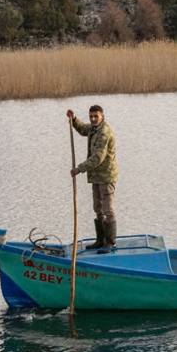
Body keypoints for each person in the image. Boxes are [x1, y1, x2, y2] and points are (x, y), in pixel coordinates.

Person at [66, 104, 118, 251]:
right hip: (96, 176)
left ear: (102, 116)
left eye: (96, 116)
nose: (93, 119)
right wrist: (74, 119)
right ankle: (100, 240)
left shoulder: (104, 133)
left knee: (108, 209)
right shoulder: (94, 129)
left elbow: (98, 158)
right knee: (98, 208)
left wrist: (79, 169)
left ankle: (110, 243)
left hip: (106, 176)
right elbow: (83, 129)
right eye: (91, 116)